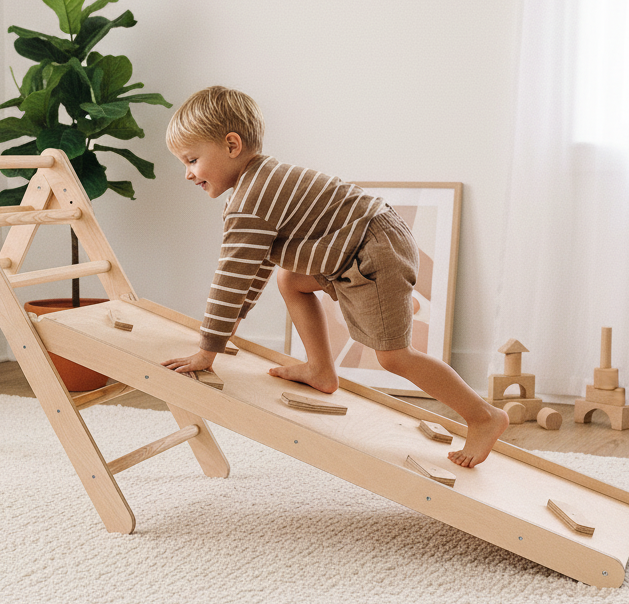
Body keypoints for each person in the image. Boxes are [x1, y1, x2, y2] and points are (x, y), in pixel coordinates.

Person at [160, 86, 507, 467]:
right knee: (290, 280)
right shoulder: (253, 186)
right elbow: (251, 271)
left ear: (231, 145)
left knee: (393, 357)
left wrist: (208, 348)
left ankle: (483, 416)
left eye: (192, 159)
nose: (188, 173)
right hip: (361, 243)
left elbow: (231, 276)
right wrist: (226, 333)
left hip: (373, 249)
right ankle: (320, 368)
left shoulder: (250, 200)